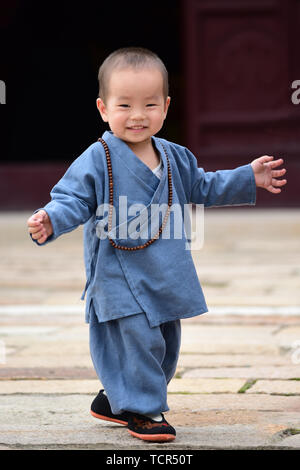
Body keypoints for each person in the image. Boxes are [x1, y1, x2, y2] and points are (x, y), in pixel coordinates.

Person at [27, 47, 287, 442]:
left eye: (150, 104)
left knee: (164, 344)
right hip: (118, 273)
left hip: (165, 270)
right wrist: (51, 218)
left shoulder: (175, 157)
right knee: (137, 338)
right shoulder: (98, 159)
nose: (137, 115)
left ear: (166, 107)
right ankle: (145, 410)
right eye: (124, 105)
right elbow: (73, 199)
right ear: (103, 108)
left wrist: (248, 177)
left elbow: (203, 185)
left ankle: (115, 401)